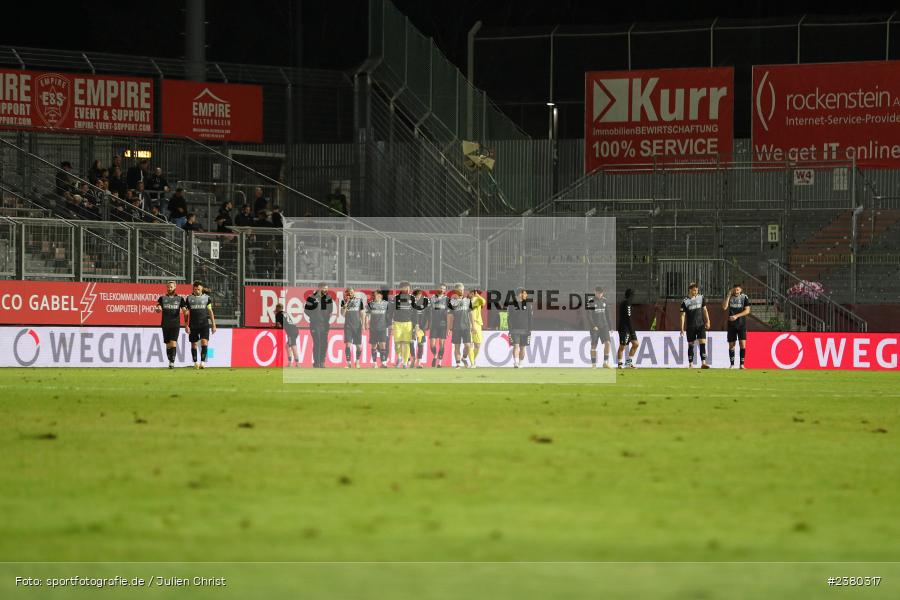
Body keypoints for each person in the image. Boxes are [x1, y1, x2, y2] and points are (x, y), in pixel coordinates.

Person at [184, 280, 216, 369]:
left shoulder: (207, 298)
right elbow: (186, 312)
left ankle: (202, 362)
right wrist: (186, 325)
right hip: (193, 325)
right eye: (195, 289)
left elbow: (210, 311)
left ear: (201, 288)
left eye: (198, 289)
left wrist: (213, 325)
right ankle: (195, 363)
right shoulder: (189, 298)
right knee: (193, 344)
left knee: (204, 342)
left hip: (204, 324)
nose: (196, 291)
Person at [680, 282, 711, 369]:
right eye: (694, 290)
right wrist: (681, 328)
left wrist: (708, 321)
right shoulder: (685, 301)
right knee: (691, 344)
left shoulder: (701, 298)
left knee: (702, 343)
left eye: (697, 290)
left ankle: (703, 363)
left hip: (700, 325)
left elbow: (705, 310)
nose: (696, 292)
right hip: (691, 326)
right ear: (690, 290)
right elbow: (682, 316)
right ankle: (690, 364)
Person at [155, 281, 185, 369]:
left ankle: (172, 362)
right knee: (168, 344)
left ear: (175, 287)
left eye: (171, 287)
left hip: (175, 324)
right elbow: (158, 307)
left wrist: (184, 310)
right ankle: (170, 360)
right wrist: (158, 309)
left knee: (173, 343)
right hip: (165, 324)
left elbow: (184, 309)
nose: (169, 289)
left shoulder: (180, 299)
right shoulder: (162, 298)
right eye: (168, 287)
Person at [304, 282, 333, 368]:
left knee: (324, 343)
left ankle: (322, 362)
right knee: (317, 342)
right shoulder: (312, 297)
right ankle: (316, 362)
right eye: (324, 288)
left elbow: (330, 310)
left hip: (325, 324)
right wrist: (314, 316)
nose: (325, 290)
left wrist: (326, 318)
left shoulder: (328, 298)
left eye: (326, 288)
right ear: (319, 288)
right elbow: (306, 311)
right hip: (315, 324)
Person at [586, 286, 615, 369]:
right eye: (598, 293)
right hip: (595, 327)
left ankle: (605, 363)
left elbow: (608, 314)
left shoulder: (605, 301)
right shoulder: (590, 301)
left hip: (604, 326)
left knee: (608, 343)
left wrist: (611, 326)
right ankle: (594, 364)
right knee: (594, 345)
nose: (600, 294)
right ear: (595, 292)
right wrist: (593, 325)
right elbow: (589, 315)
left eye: (601, 293)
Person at [723, 284, 750, 369]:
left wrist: (736, 316)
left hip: (741, 324)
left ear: (741, 290)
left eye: (737, 290)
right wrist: (728, 295)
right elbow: (724, 307)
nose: (736, 291)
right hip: (731, 325)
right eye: (734, 290)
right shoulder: (729, 297)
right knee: (732, 345)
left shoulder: (744, 297)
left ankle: (742, 364)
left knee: (742, 344)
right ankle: (732, 364)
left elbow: (747, 311)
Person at [388, 281, 415, 368]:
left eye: (408, 288)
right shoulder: (396, 298)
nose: (407, 289)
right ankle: (399, 358)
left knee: (406, 343)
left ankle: (405, 362)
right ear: (401, 288)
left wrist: (416, 325)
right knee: (397, 343)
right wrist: (390, 324)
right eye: (405, 287)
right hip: (397, 323)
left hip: (408, 323)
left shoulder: (412, 298)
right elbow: (390, 312)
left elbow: (415, 313)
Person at [446, 283, 473, 368]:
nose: (461, 291)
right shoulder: (452, 302)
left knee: (468, 346)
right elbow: (450, 316)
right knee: (457, 346)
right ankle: (458, 364)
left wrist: (473, 325)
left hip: (466, 327)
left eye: (462, 290)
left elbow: (471, 313)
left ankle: (464, 358)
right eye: (459, 290)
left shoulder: (468, 301)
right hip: (456, 327)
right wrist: (449, 328)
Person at [506, 287, 533, 368]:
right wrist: (510, 329)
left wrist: (530, 329)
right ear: (520, 294)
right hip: (514, 330)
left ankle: (521, 363)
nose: (526, 295)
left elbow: (530, 317)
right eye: (525, 293)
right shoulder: (511, 305)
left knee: (522, 347)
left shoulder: (528, 305)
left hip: (525, 329)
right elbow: (509, 318)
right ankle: (516, 363)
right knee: (516, 345)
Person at [341, 287, 365, 368]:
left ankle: (357, 362)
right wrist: (346, 303)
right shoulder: (343, 301)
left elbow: (362, 313)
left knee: (358, 346)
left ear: (354, 293)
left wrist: (364, 324)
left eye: (351, 292)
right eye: (348, 292)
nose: (350, 294)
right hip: (348, 325)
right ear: (346, 293)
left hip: (357, 326)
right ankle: (348, 363)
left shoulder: (359, 301)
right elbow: (343, 314)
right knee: (348, 344)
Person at [617, 288, 640, 369]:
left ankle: (628, 363)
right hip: (624, 328)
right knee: (622, 346)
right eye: (633, 295)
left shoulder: (626, 303)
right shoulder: (627, 303)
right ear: (631, 295)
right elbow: (628, 317)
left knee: (636, 344)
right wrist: (631, 330)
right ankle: (620, 364)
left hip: (629, 327)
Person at [366, 290, 390, 368]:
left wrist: (390, 324)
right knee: (374, 346)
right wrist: (366, 323)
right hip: (373, 328)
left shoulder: (386, 304)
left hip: (383, 328)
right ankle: (374, 363)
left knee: (383, 345)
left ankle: (383, 363)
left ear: (380, 295)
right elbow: (367, 315)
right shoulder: (370, 304)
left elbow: (389, 315)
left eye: (376, 294)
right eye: (374, 295)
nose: (374, 296)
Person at [428, 284, 449, 367]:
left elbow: (449, 313)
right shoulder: (432, 298)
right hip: (434, 324)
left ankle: (440, 362)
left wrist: (449, 327)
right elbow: (429, 311)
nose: (441, 290)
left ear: (445, 291)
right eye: (440, 288)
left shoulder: (447, 300)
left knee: (441, 344)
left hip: (443, 324)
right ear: (437, 289)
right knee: (432, 344)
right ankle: (435, 356)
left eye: (443, 289)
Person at [274, 302, 300, 368]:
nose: (275, 309)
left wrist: (274, 326)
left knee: (293, 346)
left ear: (278, 308)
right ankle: (290, 363)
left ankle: (297, 363)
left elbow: (279, 325)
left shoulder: (278, 314)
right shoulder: (285, 313)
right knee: (287, 346)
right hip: (295, 329)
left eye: (276, 308)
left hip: (290, 331)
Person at [410, 289, 429, 368]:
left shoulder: (425, 303)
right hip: (412, 326)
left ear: (421, 295)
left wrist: (426, 325)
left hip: (422, 326)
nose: (417, 297)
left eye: (418, 295)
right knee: (411, 342)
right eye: (415, 296)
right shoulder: (410, 303)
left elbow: (427, 314)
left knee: (420, 344)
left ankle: (419, 362)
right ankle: (413, 358)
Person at [468, 288, 485, 367]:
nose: (474, 294)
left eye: (477, 293)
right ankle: (472, 363)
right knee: (470, 344)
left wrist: (477, 295)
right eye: (473, 292)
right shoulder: (466, 301)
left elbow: (484, 302)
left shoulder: (478, 300)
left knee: (477, 345)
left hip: (477, 324)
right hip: (468, 324)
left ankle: (473, 359)